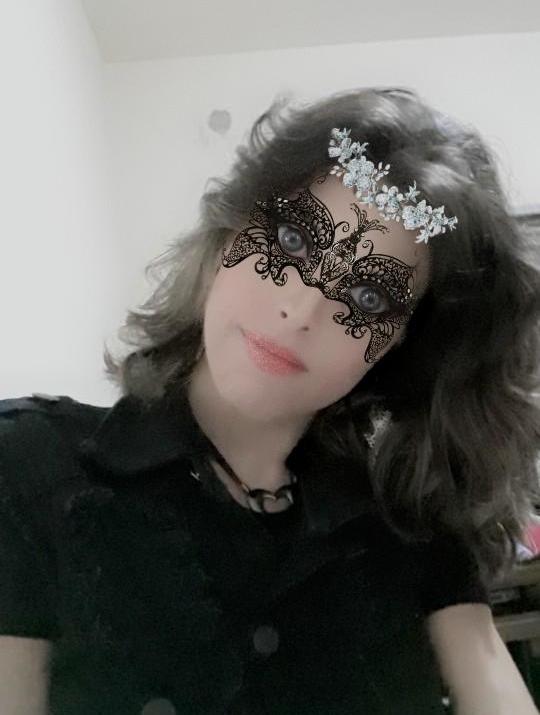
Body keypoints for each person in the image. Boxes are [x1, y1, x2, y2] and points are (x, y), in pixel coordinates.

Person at [1, 87, 539, 715]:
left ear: (399, 345)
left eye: (367, 298)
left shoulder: (408, 520)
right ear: (230, 234)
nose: (302, 310)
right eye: (292, 240)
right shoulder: (27, 468)